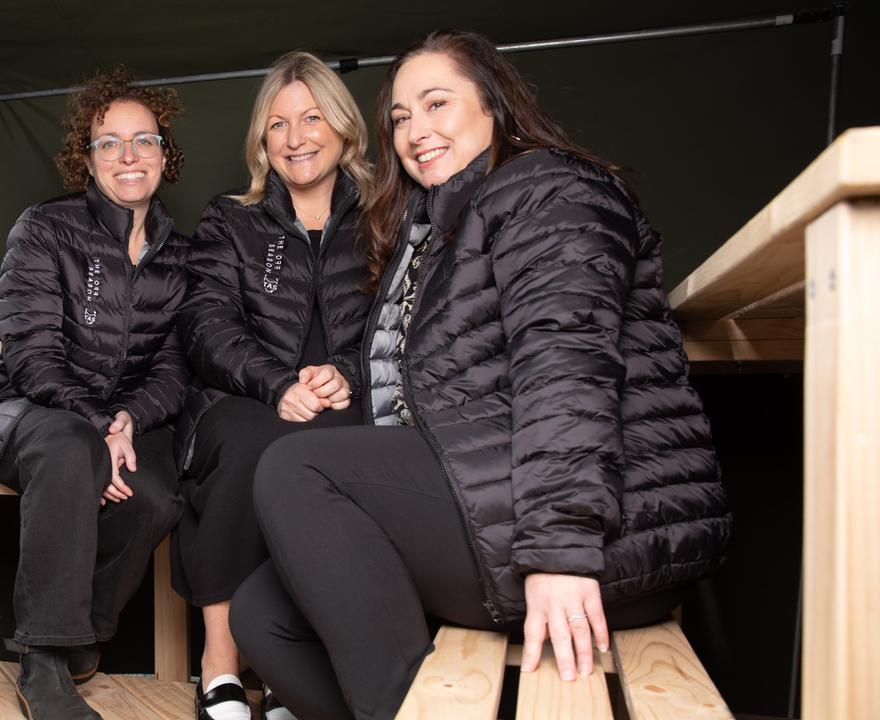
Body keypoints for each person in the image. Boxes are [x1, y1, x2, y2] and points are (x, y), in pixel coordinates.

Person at [229, 30, 732, 720]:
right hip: (500, 491)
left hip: (604, 534)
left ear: (494, 105)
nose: (415, 130)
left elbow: (567, 367)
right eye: (401, 117)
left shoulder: (548, 189)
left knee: (295, 469)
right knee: (261, 616)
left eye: (437, 103)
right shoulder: (437, 226)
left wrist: (561, 552)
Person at [0, 67, 190, 720]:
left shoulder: (184, 254)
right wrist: (98, 428)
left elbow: (175, 368)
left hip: (114, 424)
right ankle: (45, 662)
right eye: (108, 142)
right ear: (84, 158)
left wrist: (124, 424)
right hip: (29, 414)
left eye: (143, 140)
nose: (128, 155)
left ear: (164, 153)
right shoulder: (43, 229)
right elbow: (32, 357)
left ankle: (84, 629)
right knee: (69, 450)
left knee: (158, 493)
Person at [172, 51, 373, 720]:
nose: (296, 139)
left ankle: (292, 666)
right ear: (262, 139)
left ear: (343, 127)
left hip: (346, 400)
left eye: (312, 118)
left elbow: (408, 322)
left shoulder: (387, 216)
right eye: (278, 124)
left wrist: (349, 371)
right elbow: (204, 324)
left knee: (332, 461)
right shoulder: (233, 218)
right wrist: (275, 381)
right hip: (240, 398)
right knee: (258, 446)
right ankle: (221, 665)